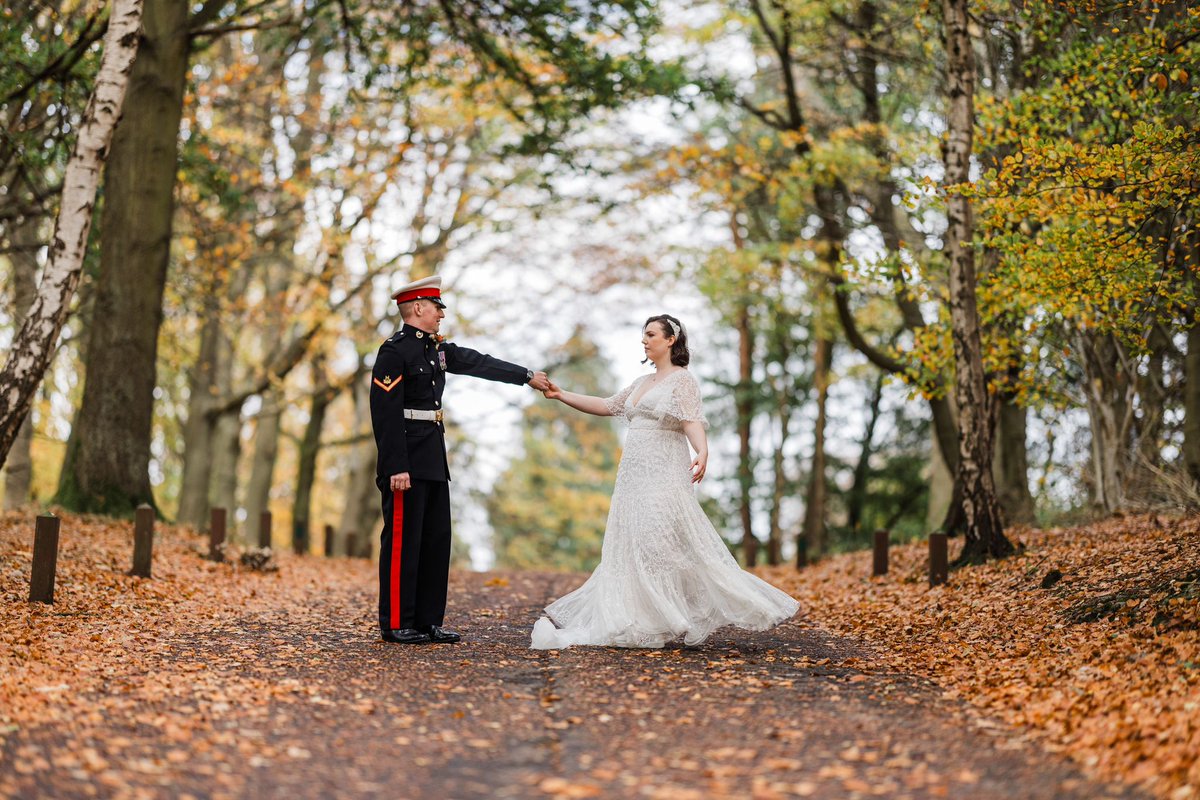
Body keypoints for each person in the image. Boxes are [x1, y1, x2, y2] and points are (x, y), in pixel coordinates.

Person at [530, 314, 799, 649]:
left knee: (658, 542)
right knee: (633, 544)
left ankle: (678, 613)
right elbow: (606, 405)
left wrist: (702, 450)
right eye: (643, 335)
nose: (644, 340)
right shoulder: (642, 382)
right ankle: (640, 620)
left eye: (651, 334)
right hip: (632, 478)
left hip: (664, 475)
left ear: (671, 339)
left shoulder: (683, 381)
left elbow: (691, 421)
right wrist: (561, 394)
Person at [371, 275, 551, 644]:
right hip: (405, 458)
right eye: (437, 307)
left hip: (433, 455)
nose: (441, 314)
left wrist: (526, 376)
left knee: (436, 539)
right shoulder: (394, 351)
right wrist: (395, 466)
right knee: (403, 541)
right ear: (418, 307)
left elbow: (477, 362)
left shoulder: (434, 349)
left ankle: (426, 621)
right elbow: (384, 413)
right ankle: (396, 623)